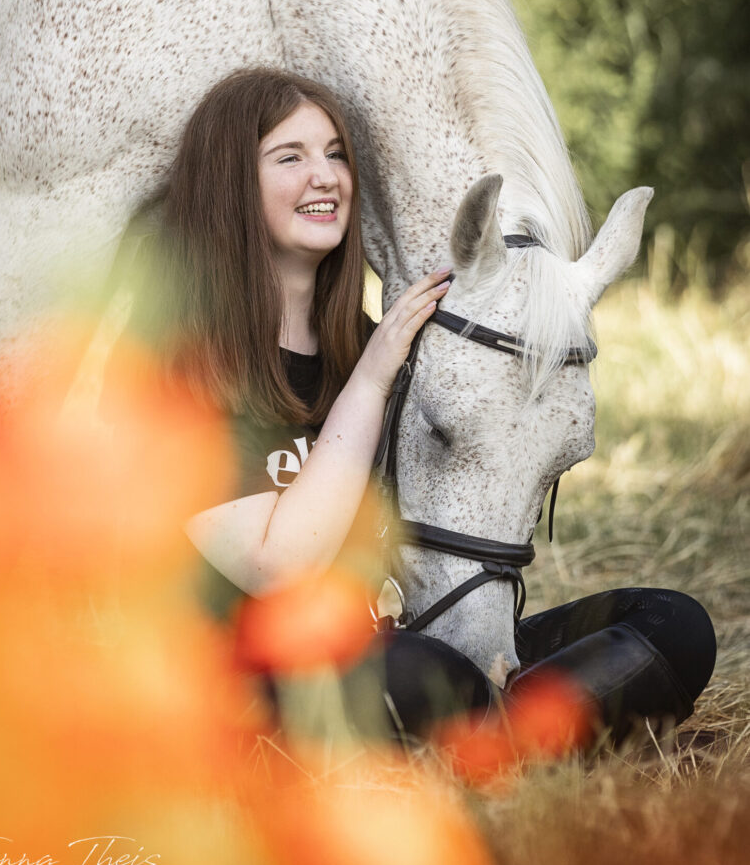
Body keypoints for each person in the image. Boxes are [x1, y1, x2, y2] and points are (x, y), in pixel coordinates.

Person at [158, 66, 716, 744]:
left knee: (670, 624)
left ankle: (498, 739)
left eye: (336, 153)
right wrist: (368, 384)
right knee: (431, 673)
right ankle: (539, 739)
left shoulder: (359, 342)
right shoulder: (180, 359)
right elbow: (279, 569)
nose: (326, 175)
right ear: (229, 184)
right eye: (290, 156)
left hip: (372, 649)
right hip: (250, 676)